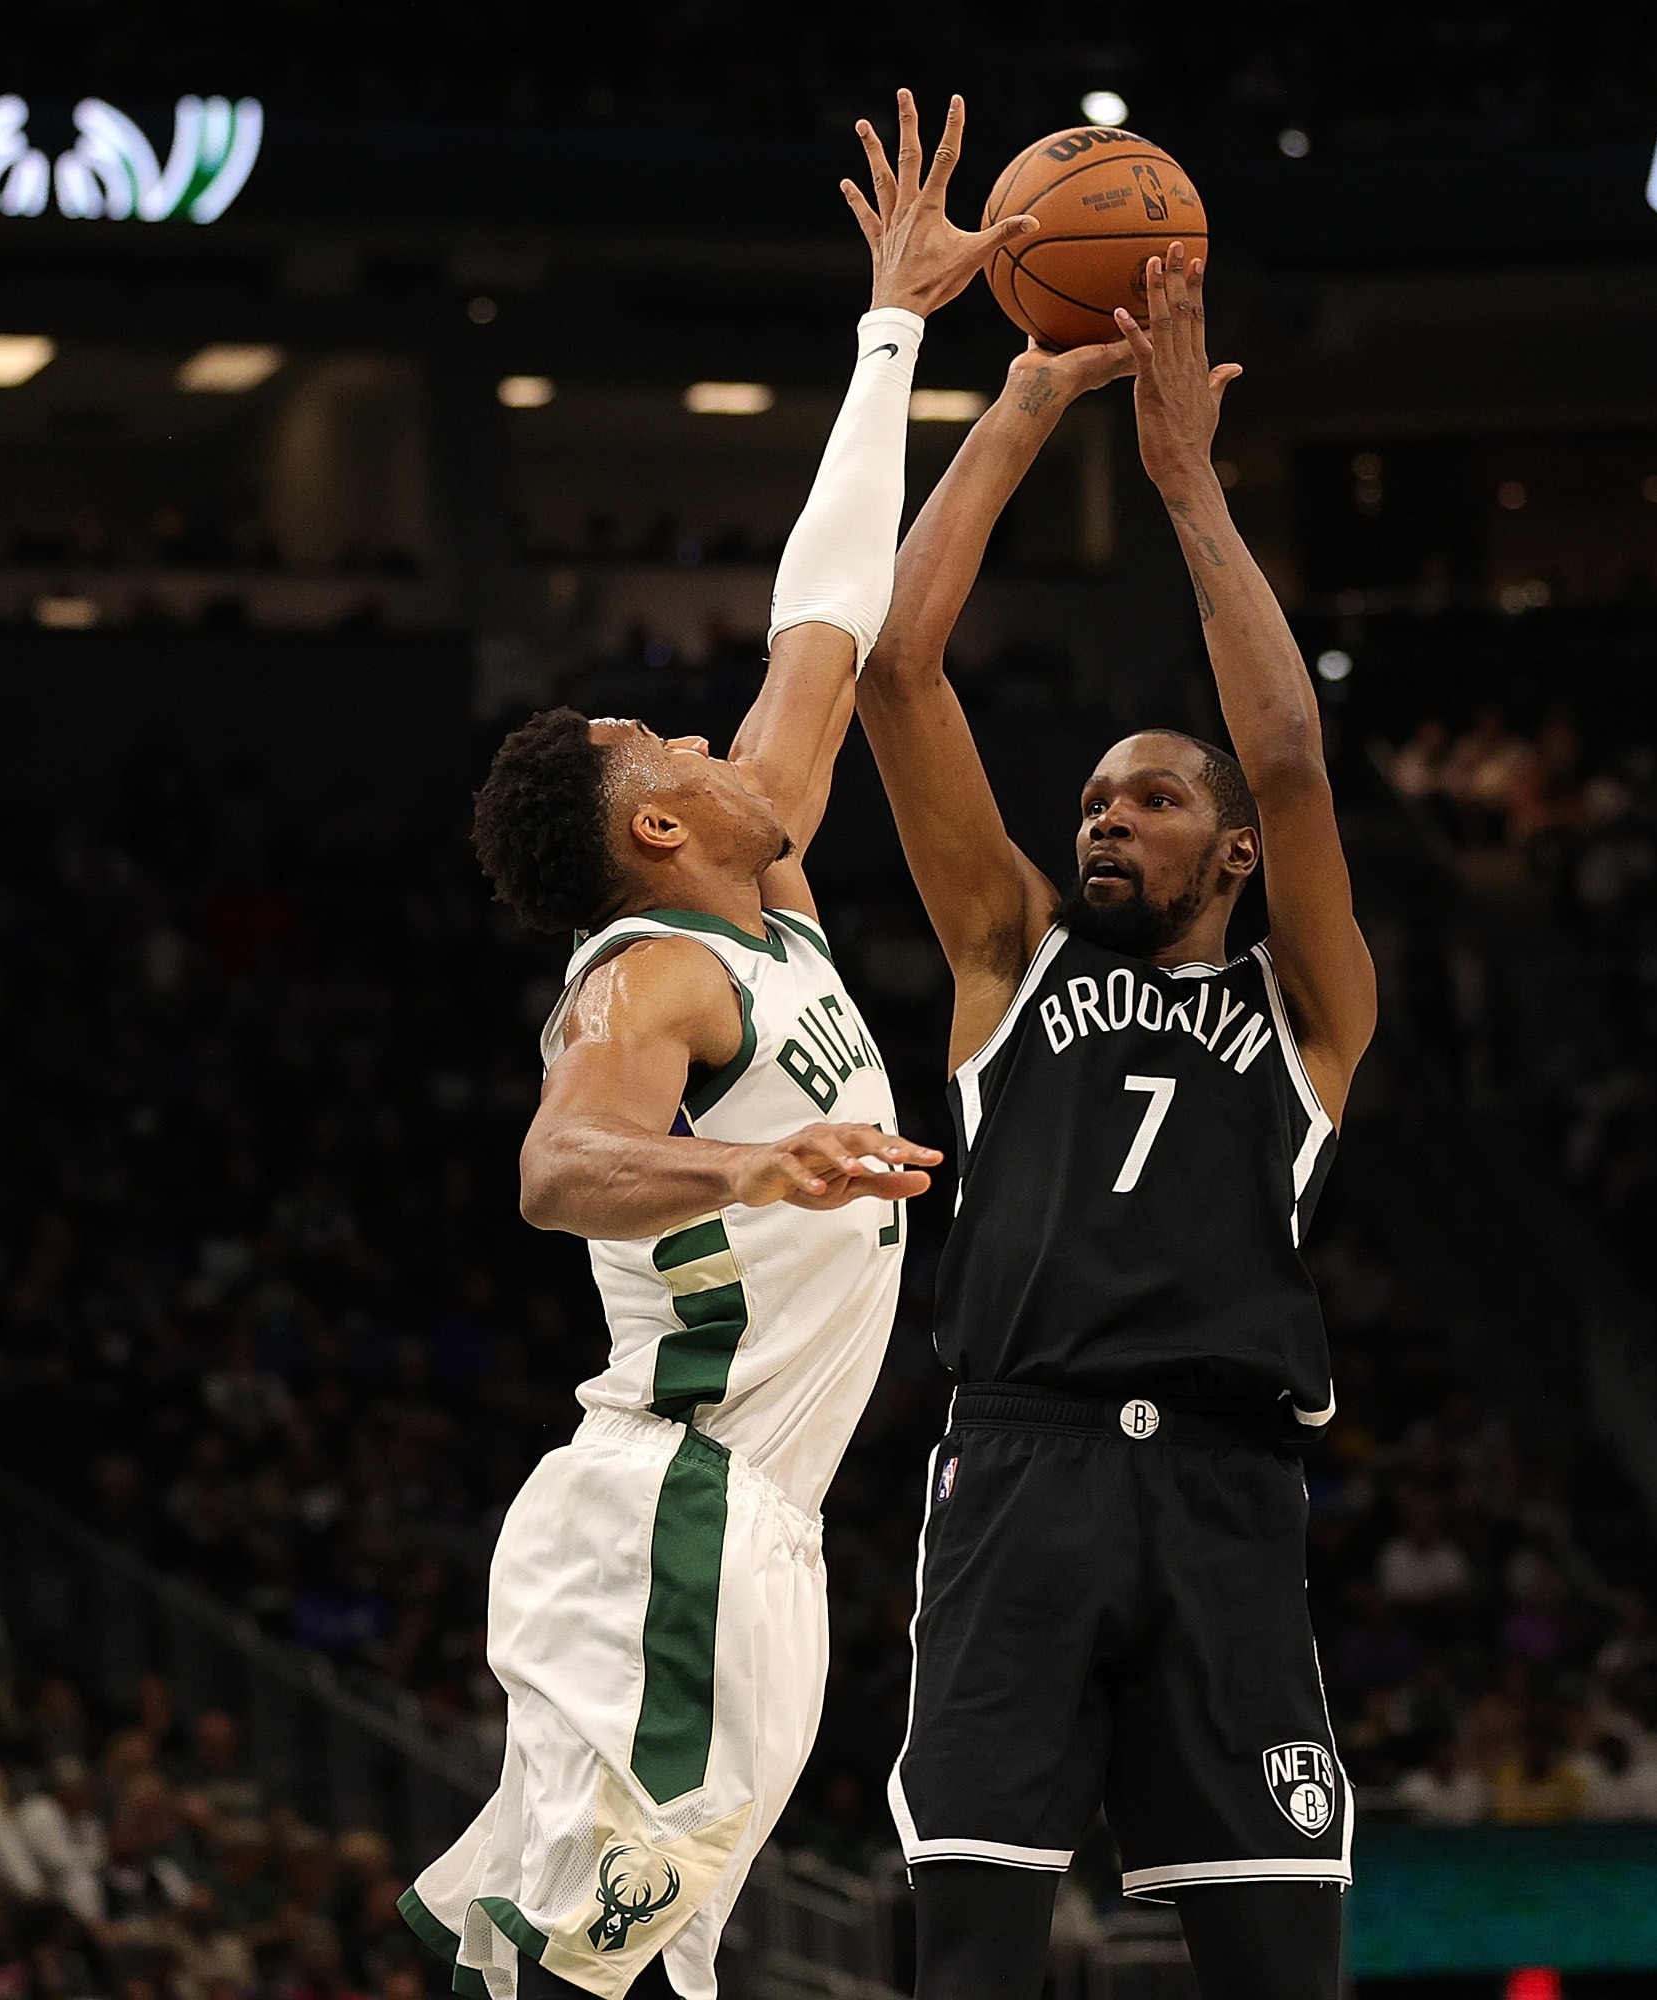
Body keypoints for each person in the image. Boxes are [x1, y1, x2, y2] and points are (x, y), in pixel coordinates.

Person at [397, 89, 1032, 2000]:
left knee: (605, 1973)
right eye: (660, 745)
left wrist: (904, 335)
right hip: (671, 1503)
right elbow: (557, 1168)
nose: (703, 732)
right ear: (655, 830)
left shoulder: (770, 903)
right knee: (584, 1967)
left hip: (748, 1523)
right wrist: (748, 1162)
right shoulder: (646, 975)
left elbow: (824, 618)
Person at [858, 240, 1380, 1999]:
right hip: (1021, 1467)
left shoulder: (1306, 1015)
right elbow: (898, 670)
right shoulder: (1009, 958)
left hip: (1230, 1496)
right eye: (1093, 796)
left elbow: (1293, 753)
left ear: (1229, 851)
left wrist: (1183, 482)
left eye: (1150, 799)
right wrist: (1015, 402)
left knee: (1279, 1969)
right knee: (981, 1956)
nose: (1105, 818)